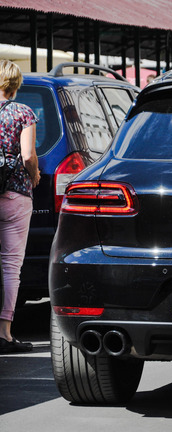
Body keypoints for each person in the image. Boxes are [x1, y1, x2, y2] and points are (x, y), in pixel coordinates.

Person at [0, 59, 40, 354]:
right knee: (10, 265)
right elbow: (27, 155)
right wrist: (35, 174)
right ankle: (5, 333)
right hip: (15, 194)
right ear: (15, 84)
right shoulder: (22, 112)